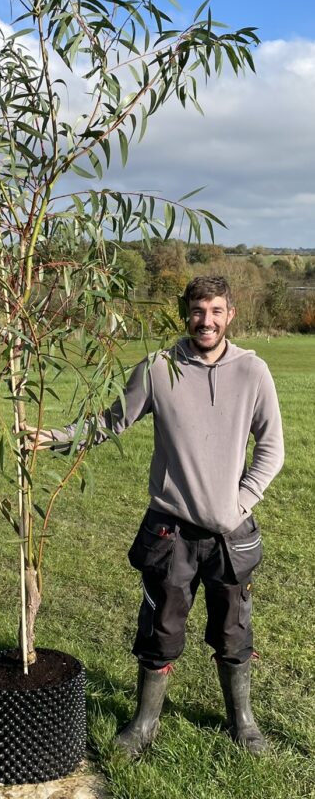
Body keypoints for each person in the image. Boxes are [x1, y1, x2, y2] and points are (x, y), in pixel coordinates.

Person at [28, 275, 284, 757]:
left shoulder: (254, 372)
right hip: (171, 533)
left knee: (233, 630)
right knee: (160, 630)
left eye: (215, 311)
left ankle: (243, 723)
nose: (205, 321)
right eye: (196, 310)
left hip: (230, 535)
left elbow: (272, 449)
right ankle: (144, 725)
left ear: (230, 314)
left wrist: (241, 503)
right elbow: (111, 420)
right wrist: (58, 437)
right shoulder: (157, 369)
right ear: (184, 313)